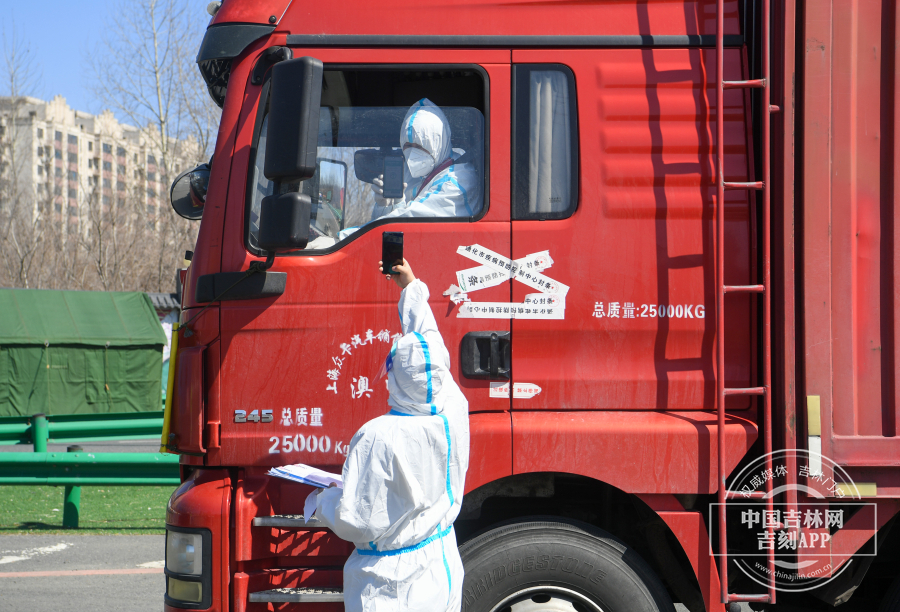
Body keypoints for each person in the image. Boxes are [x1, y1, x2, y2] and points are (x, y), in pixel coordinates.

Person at [307, 257, 470, 612]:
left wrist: (322, 501)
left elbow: (357, 521)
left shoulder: (378, 436)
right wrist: (411, 287)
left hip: (392, 585)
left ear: (393, 376)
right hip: (440, 566)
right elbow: (428, 346)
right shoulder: (452, 407)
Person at [329, 98, 482, 244]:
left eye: (420, 146)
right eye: (408, 146)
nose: (412, 154)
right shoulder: (416, 174)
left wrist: (340, 241)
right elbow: (393, 232)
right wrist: (385, 206)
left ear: (437, 144)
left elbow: (409, 222)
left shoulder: (458, 180)